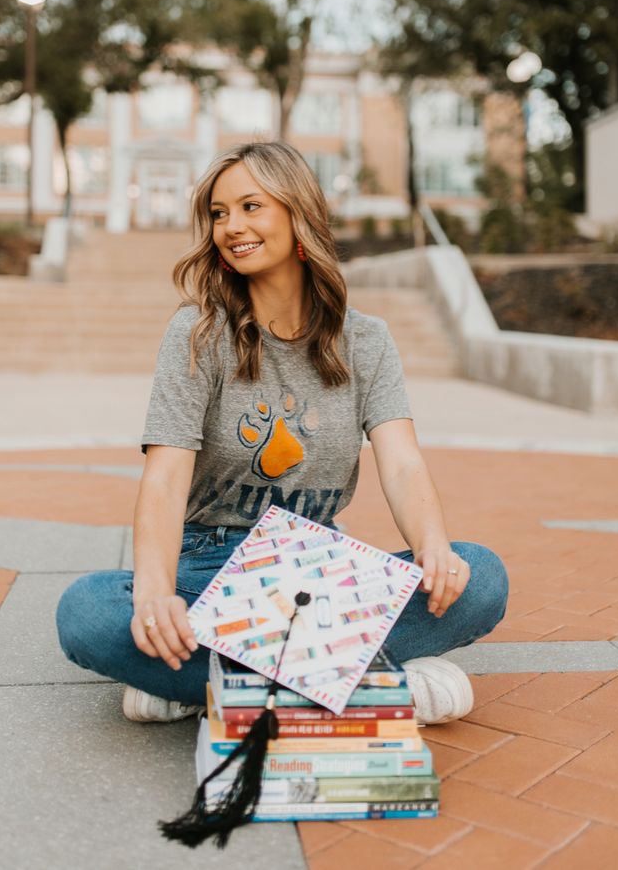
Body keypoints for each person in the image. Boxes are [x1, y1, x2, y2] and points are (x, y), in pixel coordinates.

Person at [57, 140, 509, 726]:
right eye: (218, 213)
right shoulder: (197, 334)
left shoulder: (365, 341)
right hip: (207, 565)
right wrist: (153, 594)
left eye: (250, 207)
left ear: (298, 216)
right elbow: (166, 477)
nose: (229, 227)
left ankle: (201, 685)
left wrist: (432, 547)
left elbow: (402, 464)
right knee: (87, 613)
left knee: (480, 575)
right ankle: (377, 682)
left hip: (314, 568)